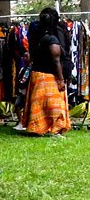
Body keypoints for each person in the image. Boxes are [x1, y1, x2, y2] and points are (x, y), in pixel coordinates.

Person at [22, 8, 71, 136]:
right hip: (49, 77)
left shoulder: (34, 35)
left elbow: (30, 56)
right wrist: (60, 80)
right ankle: (53, 129)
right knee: (54, 106)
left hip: (37, 75)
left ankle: (37, 127)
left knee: (38, 105)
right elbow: (56, 60)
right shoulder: (52, 39)